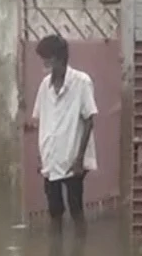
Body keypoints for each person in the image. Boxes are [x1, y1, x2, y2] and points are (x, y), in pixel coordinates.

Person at [28, 33, 97, 227]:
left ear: (57, 58)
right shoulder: (45, 86)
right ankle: (56, 252)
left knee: (76, 207)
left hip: (73, 157)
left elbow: (90, 119)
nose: (43, 62)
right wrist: (41, 154)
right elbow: (42, 120)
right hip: (51, 156)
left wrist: (79, 159)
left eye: (46, 58)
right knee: (54, 209)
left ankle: (79, 250)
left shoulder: (81, 82)